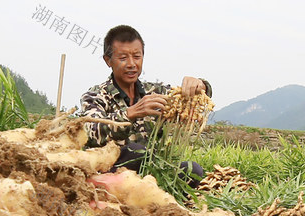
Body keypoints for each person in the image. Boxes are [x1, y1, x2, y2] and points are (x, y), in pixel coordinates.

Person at [79, 24, 211, 184]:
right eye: (122, 58)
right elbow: (90, 132)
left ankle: (156, 191)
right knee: (136, 151)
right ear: (108, 61)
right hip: (113, 172)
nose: (131, 64)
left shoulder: (155, 91)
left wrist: (200, 85)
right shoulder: (95, 96)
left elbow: (186, 98)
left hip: (152, 172)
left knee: (192, 170)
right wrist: (130, 113)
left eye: (136, 56)